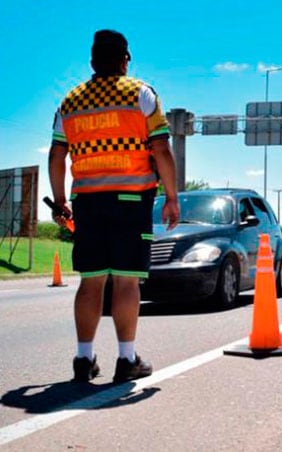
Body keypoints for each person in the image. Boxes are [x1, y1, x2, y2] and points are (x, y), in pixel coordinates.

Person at [48, 30, 180, 382]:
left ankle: (83, 359)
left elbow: (57, 154)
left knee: (90, 282)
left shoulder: (69, 102)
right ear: (125, 59)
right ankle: (126, 359)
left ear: (92, 62)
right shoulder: (141, 94)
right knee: (125, 282)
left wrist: (61, 200)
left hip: (87, 204)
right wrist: (171, 196)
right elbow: (162, 150)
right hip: (131, 201)